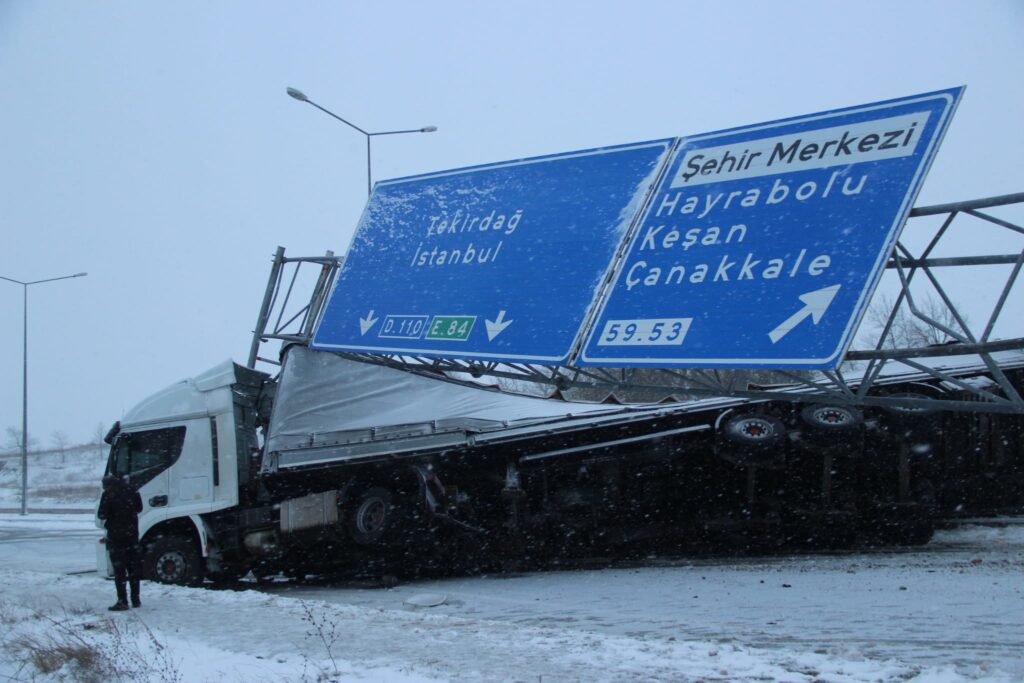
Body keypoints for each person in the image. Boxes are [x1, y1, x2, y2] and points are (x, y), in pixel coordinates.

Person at [97, 474, 143, 611]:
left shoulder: (108, 494)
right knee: (133, 569)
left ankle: (122, 601)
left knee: (119, 570)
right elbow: (139, 508)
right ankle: (136, 599)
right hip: (132, 535)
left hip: (116, 537)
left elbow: (102, 514)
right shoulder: (133, 490)